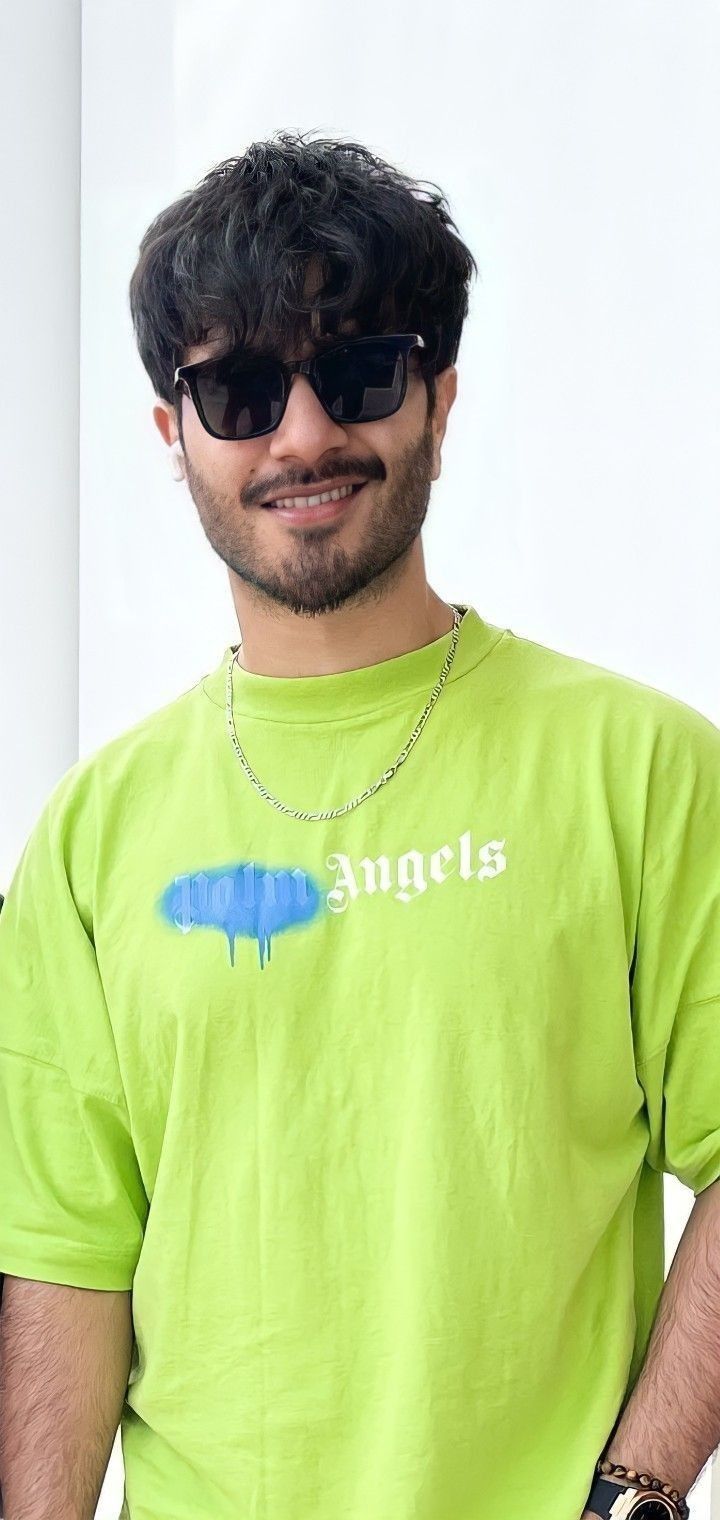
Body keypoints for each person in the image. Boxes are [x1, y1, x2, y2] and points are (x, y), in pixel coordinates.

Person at [0, 130, 718, 1520]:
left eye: (359, 373)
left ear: (438, 400)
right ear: (175, 436)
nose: (306, 433)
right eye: (243, 390)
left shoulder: (643, 771)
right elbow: (61, 1263)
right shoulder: (92, 838)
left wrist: (639, 1487)